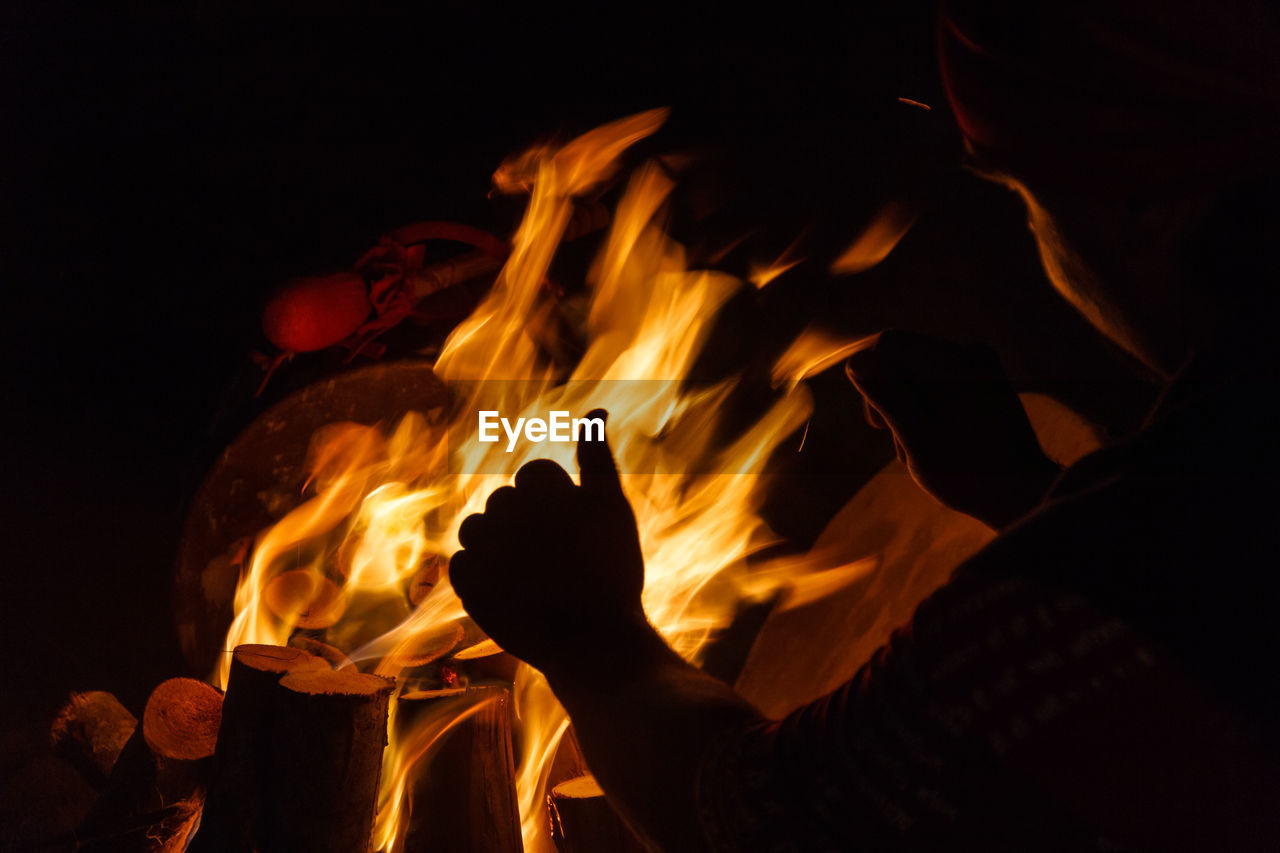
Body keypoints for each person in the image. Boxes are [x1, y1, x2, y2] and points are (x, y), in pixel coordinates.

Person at [449, 2, 1280, 850]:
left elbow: (753, 818)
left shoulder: (1128, 581)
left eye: (1029, 199)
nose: (1038, 234)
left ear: (1142, 206)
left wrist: (592, 635)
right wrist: (1029, 496)